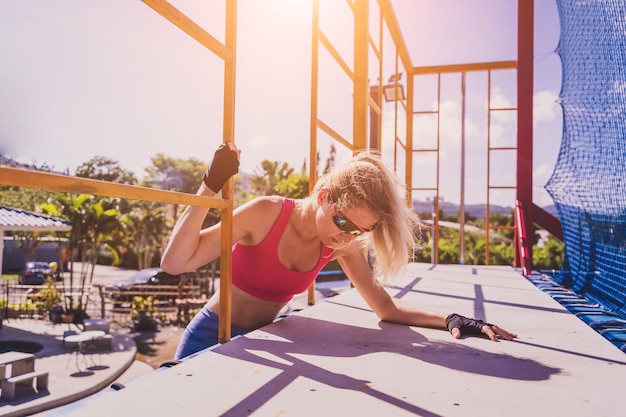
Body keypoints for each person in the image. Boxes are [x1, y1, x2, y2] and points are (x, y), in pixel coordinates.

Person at [162, 143, 517, 360]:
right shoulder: (265, 213)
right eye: (345, 223)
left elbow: (386, 308)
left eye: (363, 231)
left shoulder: (341, 246)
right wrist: (209, 185)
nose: (349, 238)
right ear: (323, 198)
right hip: (211, 334)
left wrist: (451, 319)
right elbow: (175, 263)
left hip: (265, 341)